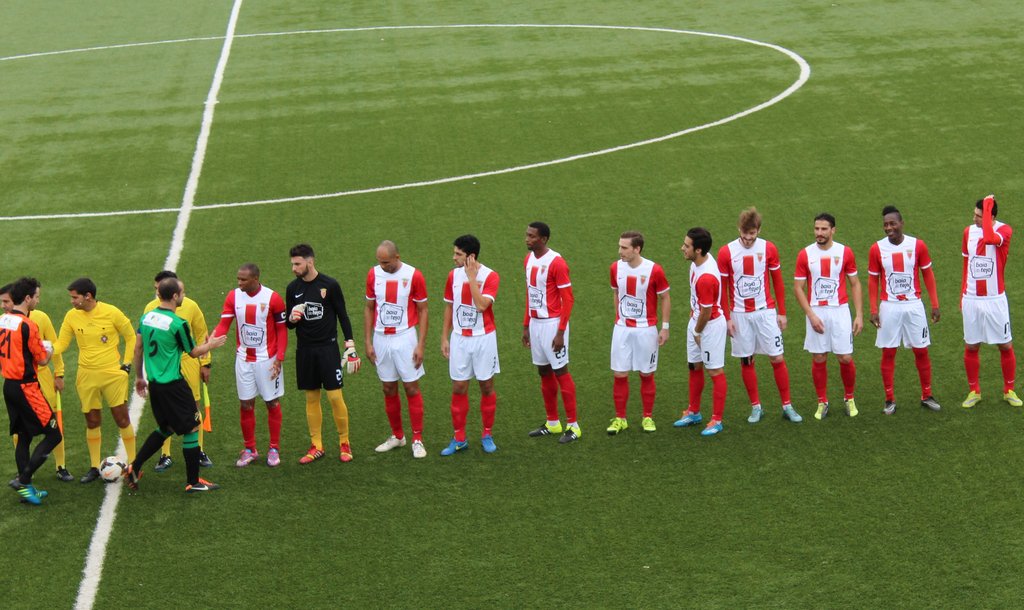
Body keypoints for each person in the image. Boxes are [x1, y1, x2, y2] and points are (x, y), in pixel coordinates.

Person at [125, 278, 227, 493]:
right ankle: (193, 482)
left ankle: (135, 465)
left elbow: (138, 349)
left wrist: (139, 377)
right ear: (174, 296)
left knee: (167, 428)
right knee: (193, 426)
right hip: (174, 386)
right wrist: (212, 344)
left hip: (155, 385)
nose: (184, 296)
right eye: (182, 293)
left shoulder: (146, 317)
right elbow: (193, 352)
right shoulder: (177, 323)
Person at [717, 208, 801, 424]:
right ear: (739, 229)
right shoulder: (726, 252)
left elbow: (778, 281)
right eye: (745, 234)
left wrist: (782, 312)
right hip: (739, 315)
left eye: (752, 234)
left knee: (777, 357)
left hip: (765, 312)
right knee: (747, 360)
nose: (748, 239)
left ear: (759, 230)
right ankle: (756, 407)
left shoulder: (768, 248)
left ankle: (787, 405)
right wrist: (727, 318)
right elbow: (722, 289)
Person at [53, 277, 137, 483]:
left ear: (88, 296)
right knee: (92, 421)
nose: (72, 301)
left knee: (122, 418)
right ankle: (93, 466)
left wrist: (126, 364)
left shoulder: (111, 312)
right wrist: (41, 350)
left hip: (112, 375)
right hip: (86, 376)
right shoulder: (71, 316)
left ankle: (135, 464)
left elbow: (131, 336)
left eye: (75, 297)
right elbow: (61, 344)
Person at [285, 244, 361, 464]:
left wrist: (350, 344)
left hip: (328, 349)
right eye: (292, 264)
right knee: (311, 397)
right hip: (305, 350)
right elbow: (289, 325)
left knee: (335, 396)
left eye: (297, 264)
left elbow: (342, 315)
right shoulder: (292, 288)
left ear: (310, 262)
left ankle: (344, 442)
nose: (293, 268)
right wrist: (292, 318)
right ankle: (316, 445)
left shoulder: (330, 285)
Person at [210, 263, 288, 468]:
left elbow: (282, 330)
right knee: (245, 404)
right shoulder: (233, 297)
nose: (239, 282)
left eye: (243, 279)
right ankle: (250, 449)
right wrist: (210, 341)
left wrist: (279, 358)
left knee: (272, 402)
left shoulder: (273, 298)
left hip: (267, 361)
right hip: (243, 361)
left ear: (255, 279)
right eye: (238, 278)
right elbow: (224, 325)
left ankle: (274, 448)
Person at [868, 206, 942, 414]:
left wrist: (935, 304)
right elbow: (873, 280)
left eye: (892, 223)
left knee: (921, 350)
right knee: (888, 352)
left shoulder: (917, 245)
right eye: (885, 225)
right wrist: (873, 309)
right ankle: (889, 399)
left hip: (913, 306)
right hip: (889, 307)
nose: (888, 228)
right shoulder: (877, 249)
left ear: (901, 223)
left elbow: (928, 274)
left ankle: (927, 395)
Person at [793, 213, 863, 419]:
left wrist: (859, 315)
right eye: (817, 229)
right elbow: (798, 288)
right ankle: (822, 401)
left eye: (824, 229)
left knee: (845, 357)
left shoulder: (845, 252)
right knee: (819, 357)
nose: (819, 233)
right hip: (817, 311)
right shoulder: (805, 254)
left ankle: (849, 398)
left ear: (833, 230)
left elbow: (855, 283)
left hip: (840, 311)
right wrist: (811, 315)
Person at [143, 271, 214, 471]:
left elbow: (201, 333)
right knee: (166, 411)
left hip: (188, 361)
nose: (157, 292)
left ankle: (198, 450)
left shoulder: (191, 306)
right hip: (166, 364)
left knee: (194, 406)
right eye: (156, 288)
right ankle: (165, 454)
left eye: (159, 288)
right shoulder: (150, 308)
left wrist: (205, 363)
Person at [364, 241, 429, 459]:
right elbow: (369, 307)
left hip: (405, 338)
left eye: (386, 262)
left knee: (411, 387)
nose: (382, 266)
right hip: (381, 338)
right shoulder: (373, 275)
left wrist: (421, 344)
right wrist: (368, 341)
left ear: (397, 257)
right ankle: (398, 436)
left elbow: (423, 310)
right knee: (388, 388)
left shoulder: (414, 275)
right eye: (380, 262)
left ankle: (417, 439)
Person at [1, 284, 69, 481]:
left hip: (9, 385)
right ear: (27, 298)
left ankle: (26, 487)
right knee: (54, 434)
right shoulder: (28, 325)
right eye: (36, 297)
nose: (38, 301)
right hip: (27, 387)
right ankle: (23, 479)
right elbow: (42, 360)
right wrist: (48, 349)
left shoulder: (2, 320)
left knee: (24, 435)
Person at [439, 235, 500, 455]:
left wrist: (471, 277)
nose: (454, 257)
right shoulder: (452, 276)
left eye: (458, 254)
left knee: (486, 386)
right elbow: (449, 306)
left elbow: (482, 305)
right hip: (460, 340)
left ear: (471, 256)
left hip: (484, 339)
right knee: (458, 387)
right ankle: (459, 438)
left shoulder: (491, 276)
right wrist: (444, 337)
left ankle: (487, 434)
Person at [607, 231, 670, 435]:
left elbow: (665, 297)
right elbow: (616, 293)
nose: (620, 251)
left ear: (637, 249)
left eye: (624, 247)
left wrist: (665, 327)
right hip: (622, 329)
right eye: (619, 246)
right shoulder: (615, 268)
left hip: (645, 330)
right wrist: (618, 319)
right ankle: (620, 418)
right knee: (619, 374)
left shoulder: (654, 270)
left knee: (646, 374)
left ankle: (647, 417)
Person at [523, 222, 581, 443]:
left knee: (561, 371)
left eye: (532, 236)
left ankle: (573, 426)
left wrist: (560, 332)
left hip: (553, 324)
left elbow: (568, 299)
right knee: (543, 371)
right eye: (527, 235)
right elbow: (530, 294)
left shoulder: (557, 263)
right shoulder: (528, 260)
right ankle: (553, 423)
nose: (527, 239)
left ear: (544, 239)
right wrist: (526, 325)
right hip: (536, 324)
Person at [961, 195, 1020, 408]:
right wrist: (962, 295)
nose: (974, 219)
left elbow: (989, 238)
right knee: (971, 345)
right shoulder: (968, 232)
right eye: (974, 214)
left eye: (979, 215)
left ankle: (1009, 390)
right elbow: (966, 264)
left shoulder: (1004, 230)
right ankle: (974, 391)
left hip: (995, 299)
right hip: (972, 299)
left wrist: (987, 206)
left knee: (1005, 345)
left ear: (990, 216)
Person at [674, 227, 728, 436]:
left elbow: (707, 311)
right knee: (694, 365)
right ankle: (694, 412)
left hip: (709, 326)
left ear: (698, 250)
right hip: (696, 320)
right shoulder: (697, 263)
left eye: (686, 246)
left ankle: (716, 420)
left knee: (714, 371)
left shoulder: (706, 277)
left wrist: (697, 332)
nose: (682, 248)